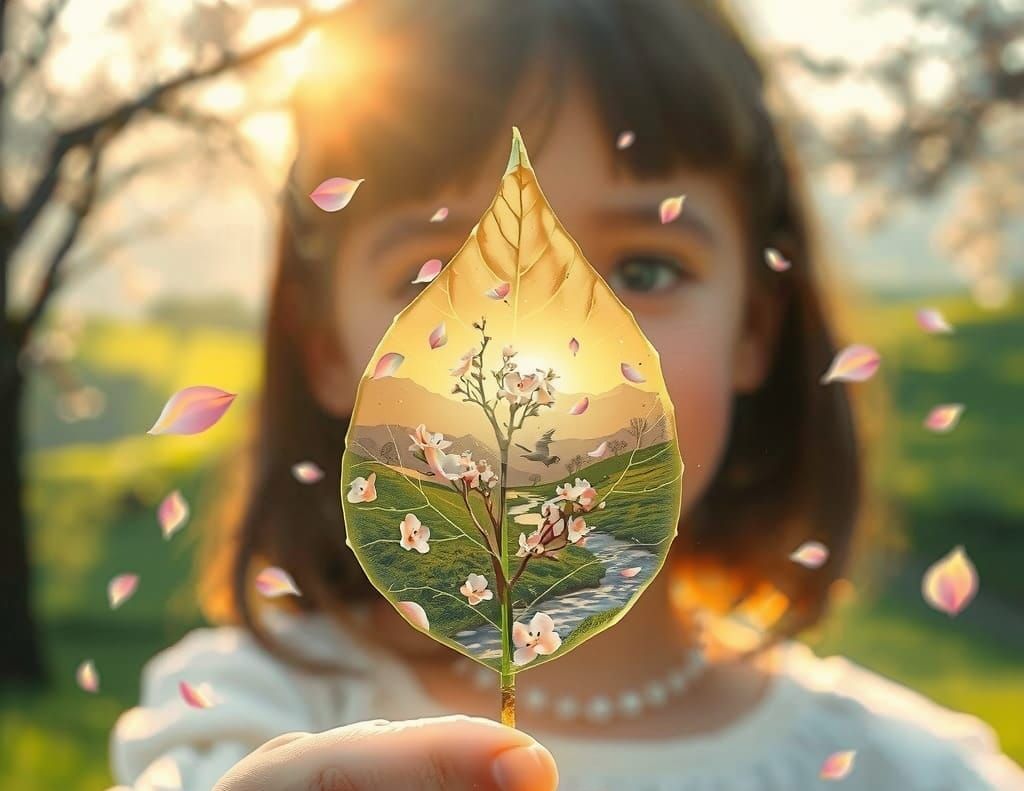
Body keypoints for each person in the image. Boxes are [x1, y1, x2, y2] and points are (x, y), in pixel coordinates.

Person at [109, 1, 1024, 789]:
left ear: (754, 328)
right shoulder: (241, 722)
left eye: (646, 268)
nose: (542, 355)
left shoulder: (917, 770)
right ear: (324, 349)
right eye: (441, 274)